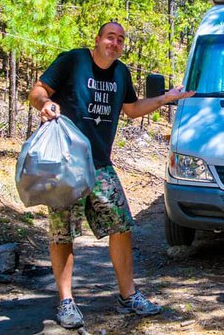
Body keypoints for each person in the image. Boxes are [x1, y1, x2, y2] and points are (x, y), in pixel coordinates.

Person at [28, 21, 195, 329]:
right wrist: (46, 103)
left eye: (120, 40)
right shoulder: (73, 61)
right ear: (98, 39)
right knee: (62, 233)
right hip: (64, 166)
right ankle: (66, 301)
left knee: (122, 225)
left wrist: (167, 98)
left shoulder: (121, 73)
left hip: (100, 165)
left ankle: (128, 296)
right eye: (110, 37)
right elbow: (38, 89)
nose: (115, 43)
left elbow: (131, 109)